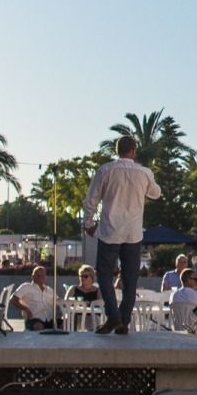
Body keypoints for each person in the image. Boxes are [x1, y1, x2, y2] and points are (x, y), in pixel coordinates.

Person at [81, 136, 163, 335]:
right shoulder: (144, 173)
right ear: (134, 151)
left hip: (110, 230)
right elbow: (156, 193)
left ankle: (114, 317)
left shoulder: (106, 170)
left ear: (117, 150)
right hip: (133, 233)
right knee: (130, 279)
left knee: (105, 275)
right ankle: (123, 321)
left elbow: (91, 199)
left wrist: (89, 223)